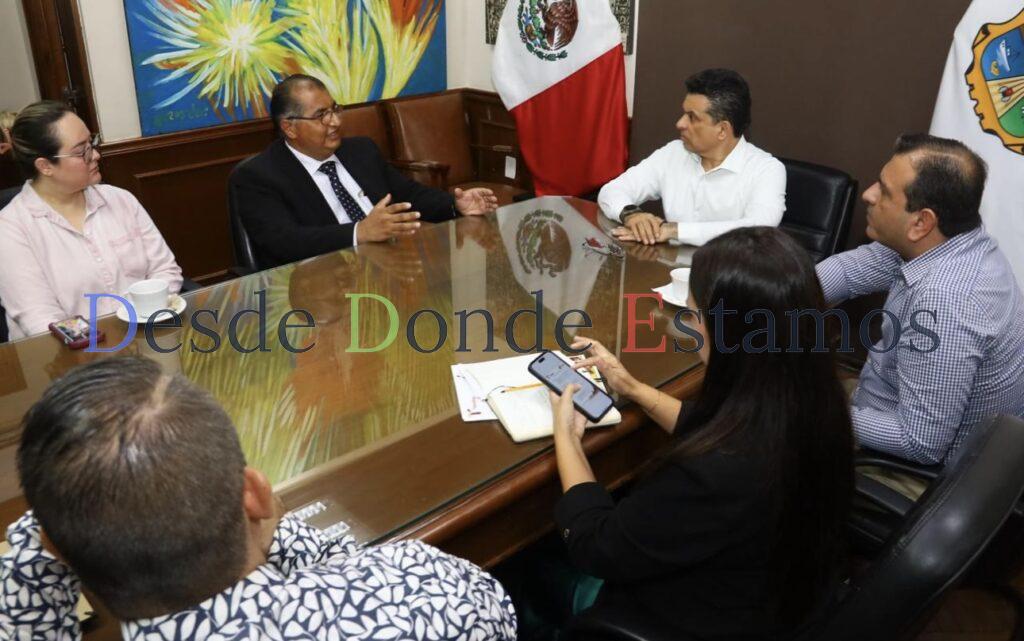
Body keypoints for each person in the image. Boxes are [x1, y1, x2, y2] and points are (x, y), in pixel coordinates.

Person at [0, 356, 517, 639]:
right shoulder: (434, 590)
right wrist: (271, 524)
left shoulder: (53, 543)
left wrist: (53, 524)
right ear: (254, 493)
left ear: (57, 548)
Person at [527, 227, 853, 639]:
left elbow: (595, 545)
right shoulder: (814, 402)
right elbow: (713, 426)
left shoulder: (714, 472)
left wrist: (568, 438)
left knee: (529, 570)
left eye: (695, 314)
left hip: (689, 617)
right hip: (777, 594)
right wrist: (633, 389)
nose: (691, 325)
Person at [817, 134, 1024, 475]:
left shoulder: (947, 302)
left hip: (910, 471)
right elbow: (849, 271)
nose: (868, 195)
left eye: (883, 191)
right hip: (882, 400)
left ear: (921, 222)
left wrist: (814, 413)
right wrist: (777, 298)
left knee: (758, 435)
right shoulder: (954, 239)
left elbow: (920, 442)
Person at [232, 74, 499, 269]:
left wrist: (454, 204)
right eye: (321, 115)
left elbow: (408, 195)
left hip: (392, 268)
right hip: (322, 292)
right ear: (289, 128)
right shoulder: (259, 176)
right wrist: (359, 232)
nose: (335, 121)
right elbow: (285, 243)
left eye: (335, 109)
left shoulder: (360, 151)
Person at [0, 101, 182, 339]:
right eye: (81, 151)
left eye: (91, 143)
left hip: (145, 335)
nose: (95, 155)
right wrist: (108, 340)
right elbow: (40, 319)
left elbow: (165, 270)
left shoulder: (120, 200)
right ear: (45, 166)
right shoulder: (12, 228)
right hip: (68, 360)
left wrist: (138, 319)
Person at [599, 68, 786, 247]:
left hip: (729, 276)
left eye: (692, 117)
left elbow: (758, 229)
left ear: (722, 129)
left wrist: (674, 230)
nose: (680, 123)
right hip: (668, 272)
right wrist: (632, 215)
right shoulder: (673, 153)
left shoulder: (767, 169)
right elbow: (612, 190)